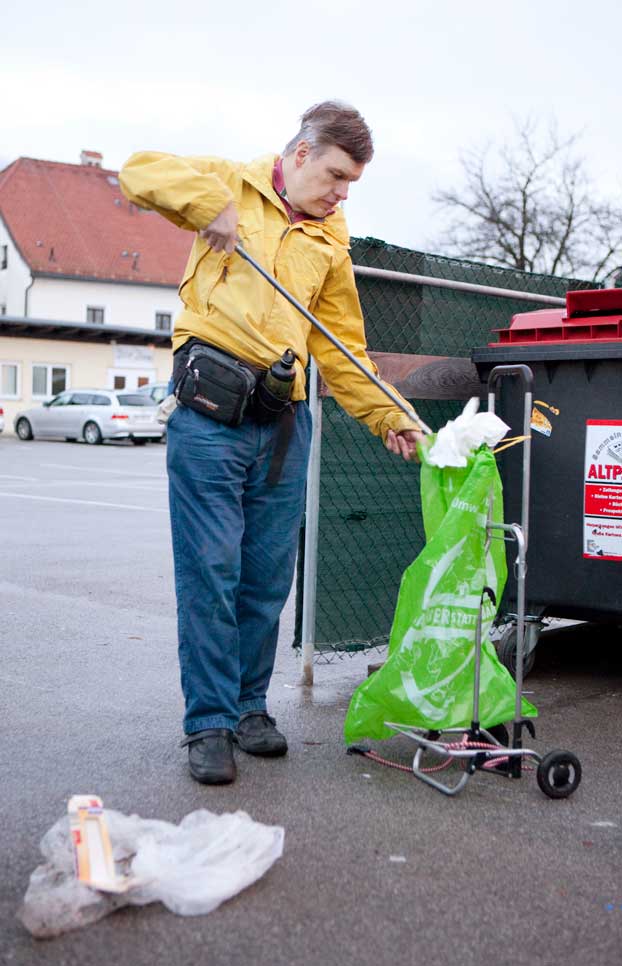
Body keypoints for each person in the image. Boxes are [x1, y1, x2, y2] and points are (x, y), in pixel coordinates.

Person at [119, 101, 424, 786]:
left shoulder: (331, 242)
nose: (342, 193)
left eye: (352, 183)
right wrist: (206, 206)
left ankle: (250, 709)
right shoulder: (229, 183)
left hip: (283, 427)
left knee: (262, 582)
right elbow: (138, 172)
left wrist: (390, 417)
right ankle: (210, 724)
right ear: (298, 155)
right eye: (336, 175)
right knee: (211, 575)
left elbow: (343, 351)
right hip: (209, 423)